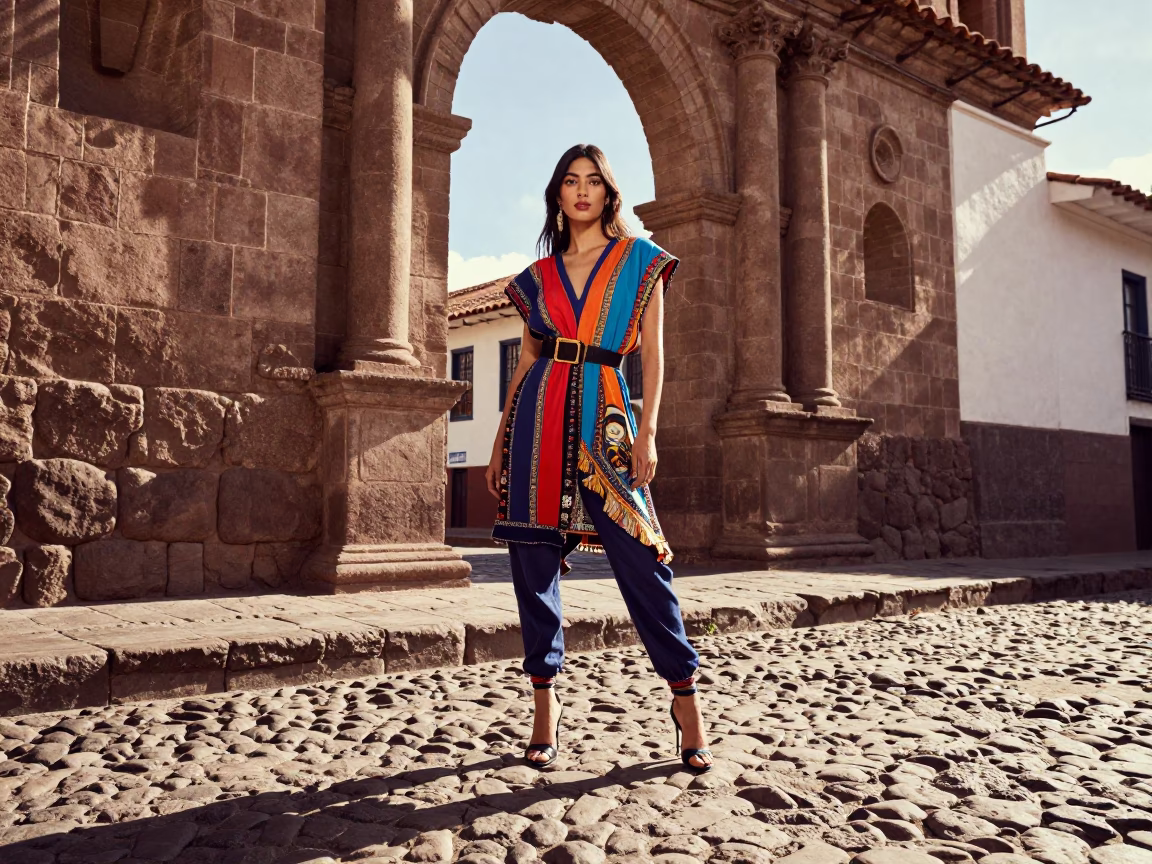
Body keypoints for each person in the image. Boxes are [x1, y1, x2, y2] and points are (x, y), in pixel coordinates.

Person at [485, 144, 712, 774]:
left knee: (643, 560)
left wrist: (649, 432)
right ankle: (544, 706)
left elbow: (654, 354)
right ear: (557, 195)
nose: (582, 190)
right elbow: (528, 361)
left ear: (609, 193)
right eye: (570, 181)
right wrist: (501, 438)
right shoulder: (538, 276)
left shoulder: (642, 260)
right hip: (536, 418)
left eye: (593, 181)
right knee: (533, 565)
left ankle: (685, 699)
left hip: (607, 416)